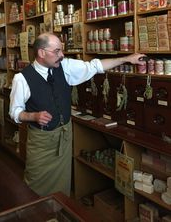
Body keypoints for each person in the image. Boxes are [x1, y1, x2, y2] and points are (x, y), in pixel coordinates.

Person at [9, 33, 146, 197]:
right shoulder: (22, 78)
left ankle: (58, 214)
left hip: (65, 136)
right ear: (41, 53)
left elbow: (95, 66)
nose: (62, 55)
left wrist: (126, 59)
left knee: (61, 186)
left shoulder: (64, 66)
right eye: (57, 51)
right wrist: (33, 117)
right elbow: (15, 112)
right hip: (42, 142)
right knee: (36, 183)